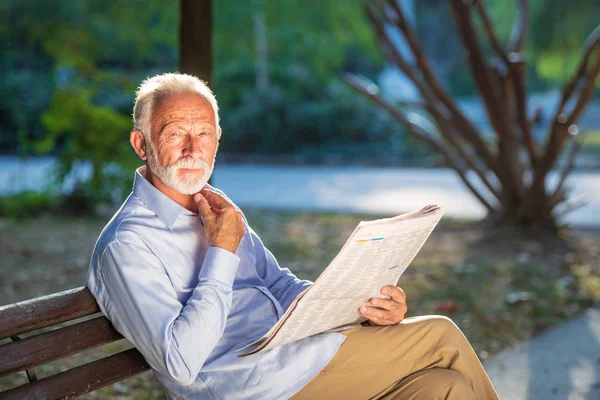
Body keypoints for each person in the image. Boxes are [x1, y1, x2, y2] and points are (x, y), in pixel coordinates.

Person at [87, 72, 499, 400]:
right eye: (176, 132)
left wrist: (358, 305)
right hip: (254, 386)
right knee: (440, 336)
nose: (194, 147)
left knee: (447, 390)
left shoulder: (215, 205)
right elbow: (180, 363)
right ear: (142, 144)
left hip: (299, 362)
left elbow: (279, 285)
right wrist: (221, 252)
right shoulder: (126, 244)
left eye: (205, 133)